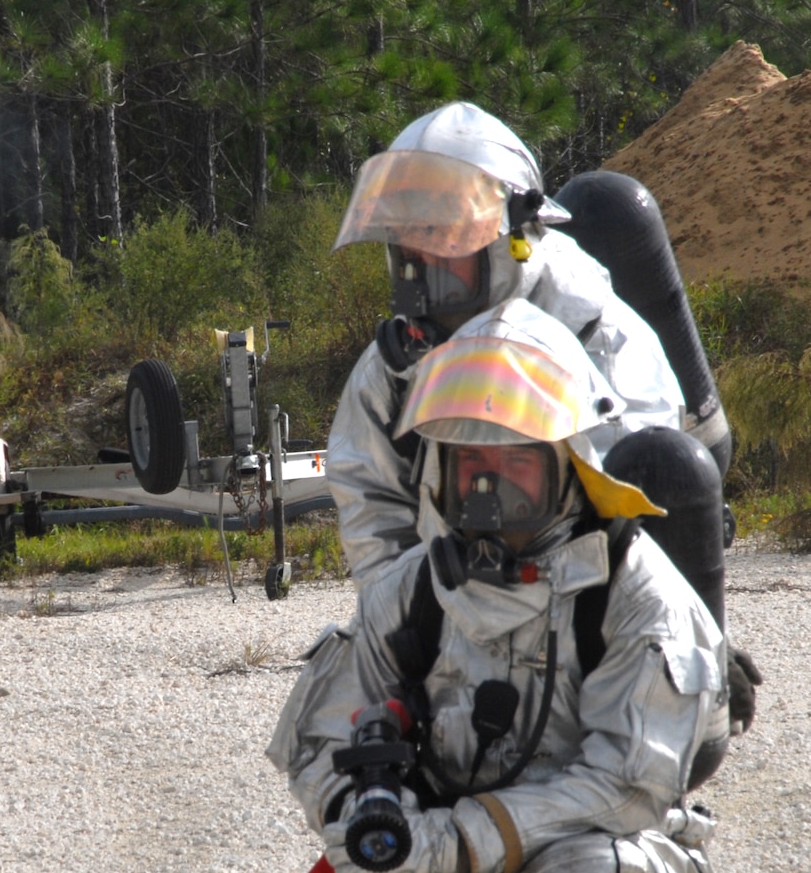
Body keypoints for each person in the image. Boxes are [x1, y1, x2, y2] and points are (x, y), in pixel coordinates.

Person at [267, 300, 725, 873]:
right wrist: (364, 828)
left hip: (607, 868)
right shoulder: (409, 595)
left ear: (566, 461)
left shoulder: (634, 594)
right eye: (466, 456)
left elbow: (624, 786)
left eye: (510, 455)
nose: (484, 479)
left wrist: (456, 837)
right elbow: (323, 736)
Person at [326, 101, 761, 745]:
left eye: (447, 238)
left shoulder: (595, 329)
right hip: (454, 598)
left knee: (667, 465)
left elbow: (631, 504)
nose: (424, 259)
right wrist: (408, 628)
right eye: (413, 239)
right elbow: (370, 505)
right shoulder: (394, 365)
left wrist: (669, 625)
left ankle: (683, 680)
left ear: (513, 235)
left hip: (587, 598)